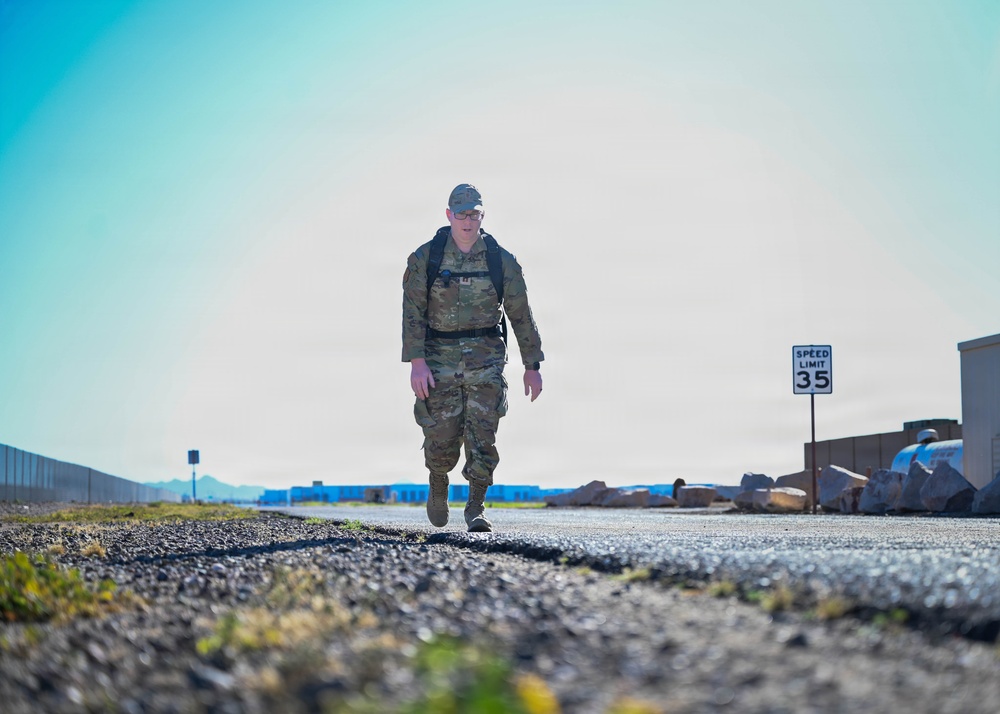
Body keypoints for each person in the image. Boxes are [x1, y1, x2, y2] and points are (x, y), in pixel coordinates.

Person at [402, 184, 544, 532]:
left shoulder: (500, 260)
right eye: (461, 213)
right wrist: (416, 361)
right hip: (438, 361)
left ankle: (475, 508)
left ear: (482, 215)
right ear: (449, 214)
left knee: (484, 435)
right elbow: (412, 312)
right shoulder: (426, 258)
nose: (468, 221)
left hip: (487, 360)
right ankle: (438, 483)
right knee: (441, 437)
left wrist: (532, 365)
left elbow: (520, 313)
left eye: (474, 214)